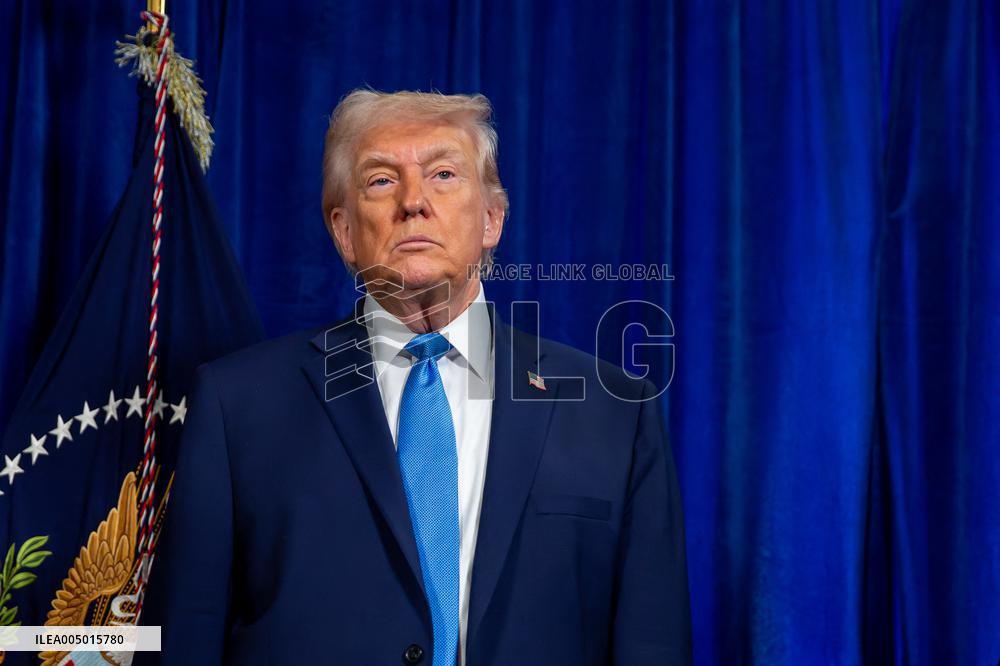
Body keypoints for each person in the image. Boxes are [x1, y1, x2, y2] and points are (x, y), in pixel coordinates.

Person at [149, 89, 691, 664]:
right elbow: (186, 638)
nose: (414, 202)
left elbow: (652, 644)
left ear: (491, 220)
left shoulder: (615, 412)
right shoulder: (238, 407)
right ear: (344, 232)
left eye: (444, 174)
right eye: (381, 181)